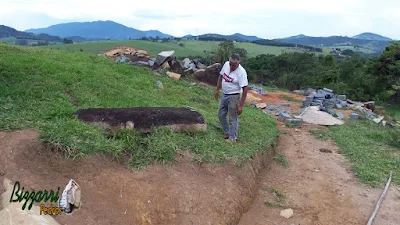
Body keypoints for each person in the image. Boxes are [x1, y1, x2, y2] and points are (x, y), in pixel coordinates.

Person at [215, 53, 248, 143]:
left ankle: (233, 138)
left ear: (238, 63)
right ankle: (227, 132)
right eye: (230, 64)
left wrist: (241, 105)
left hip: (234, 96)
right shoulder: (226, 64)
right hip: (224, 94)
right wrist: (217, 89)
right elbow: (221, 76)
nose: (231, 66)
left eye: (234, 65)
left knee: (233, 118)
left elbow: (245, 89)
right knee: (221, 114)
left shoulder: (241, 72)